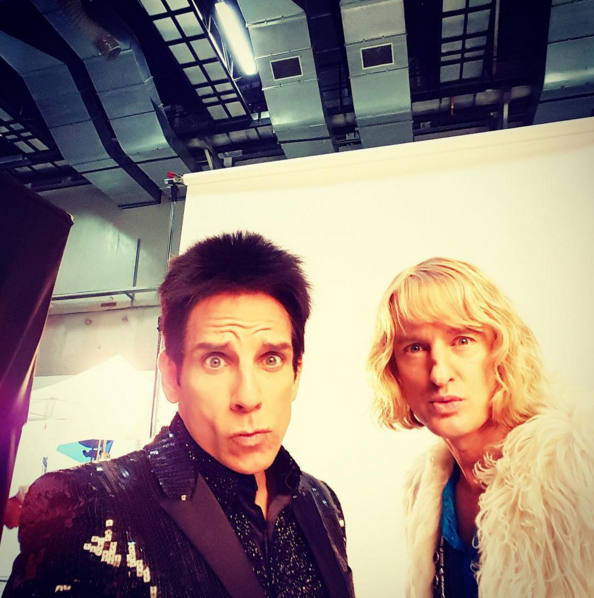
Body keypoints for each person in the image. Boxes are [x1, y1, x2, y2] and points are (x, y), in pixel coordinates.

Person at [4, 231, 354, 598]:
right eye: (215, 360)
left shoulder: (322, 502)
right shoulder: (82, 505)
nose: (248, 397)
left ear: (296, 374)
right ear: (172, 376)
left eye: (271, 359)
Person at [367, 257, 594, 598]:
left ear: (500, 350)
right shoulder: (426, 488)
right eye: (415, 348)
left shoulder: (578, 472)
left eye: (462, 340)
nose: (439, 374)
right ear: (393, 371)